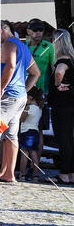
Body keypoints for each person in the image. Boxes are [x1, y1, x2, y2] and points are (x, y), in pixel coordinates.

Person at [0, 20, 40, 184]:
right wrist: (24, 90)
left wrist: (1, 88)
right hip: (19, 96)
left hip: (8, 96)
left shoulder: (8, 45)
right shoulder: (23, 47)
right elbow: (36, 73)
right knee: (11, 135)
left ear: (1, 30)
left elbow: (11, 66)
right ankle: (8, 174)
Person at [47, 29, 74, 185]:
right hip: (70, 103)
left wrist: (57, 84)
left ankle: (64, 174)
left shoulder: (62, 60)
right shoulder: (72, 58)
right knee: (70, 139)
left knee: (63, 139)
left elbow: (59, 72)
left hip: (62, 105)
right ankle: (71, 173)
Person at [26, 19, 54, 162]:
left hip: (40, 93)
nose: (38, 33)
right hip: (23, 92)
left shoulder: (48, 47)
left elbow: (54, 68)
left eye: (41, 30)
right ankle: (20, 165)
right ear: (28, 31)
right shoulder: (23, 45)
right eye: (35, 30)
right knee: (20, 128)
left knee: (39, 129)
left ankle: (35, 166)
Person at [17, 87, 44, 182]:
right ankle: (35, 176)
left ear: (30, 98)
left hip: (26, 132)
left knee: (24, 154)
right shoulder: (39, 108)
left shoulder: (28, 108)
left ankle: (22, 174)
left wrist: (22, 111)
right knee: (34, 154)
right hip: (35, 132)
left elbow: (22, 119)